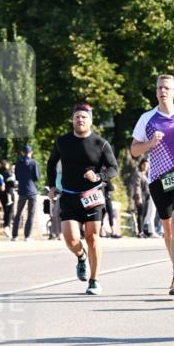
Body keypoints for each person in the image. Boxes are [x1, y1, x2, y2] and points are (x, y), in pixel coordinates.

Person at [131, 74, 174, 294]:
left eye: (167, 88)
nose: (163, 91)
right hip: (158, 178)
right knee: (168, 228)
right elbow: (133, 150)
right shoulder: (147, 119)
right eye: (160, 87)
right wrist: (150, 143)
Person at [46, 102, 118, 295]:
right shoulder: (63, 142)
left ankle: (94, 280)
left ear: (90, 120)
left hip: (92, 196)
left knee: (92, 238)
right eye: (77, 116)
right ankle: (80, 256)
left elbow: (113, 168)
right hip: (69, 195)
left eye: (84, 117)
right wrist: (52, 185)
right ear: (73, 120)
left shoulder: (100, 143)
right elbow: (52, 163)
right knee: (70, 239)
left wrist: (99, 177)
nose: (80, 119)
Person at [12, 144, 41, 242]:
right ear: (31, 152)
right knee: (30, 214)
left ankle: (14, 236)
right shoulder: (34, 163)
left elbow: (16, 177)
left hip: (21, 190)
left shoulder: (18, 163)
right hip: (32, 190)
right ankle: (27, 236)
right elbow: (36, 177)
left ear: (22, 152)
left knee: (18, 213)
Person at [0, 159, 16, 237]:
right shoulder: (7, 173)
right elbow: (12, 183)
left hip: (1, 194)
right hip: (8, 193)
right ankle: (7, 227)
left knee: (6, 210)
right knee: (10, 210)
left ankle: (7, 227)